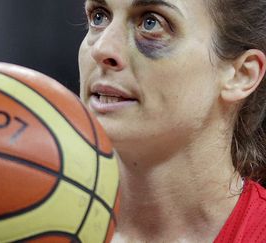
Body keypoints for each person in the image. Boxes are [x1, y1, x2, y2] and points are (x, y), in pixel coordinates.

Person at [78, 0, 266, 242]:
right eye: (99, 17)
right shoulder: (27, 220)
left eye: (151, 22)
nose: (102, 49)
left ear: (240, 75)